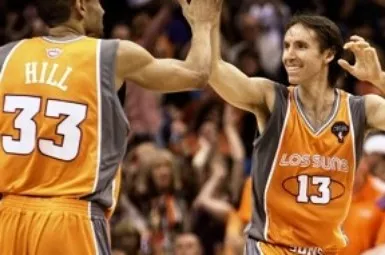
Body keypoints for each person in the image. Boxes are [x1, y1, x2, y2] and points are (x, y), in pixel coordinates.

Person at [0, 0, 222, 254]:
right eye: (97, 1)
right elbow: (195, 74)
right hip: (71, 220)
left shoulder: (6, 57)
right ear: (80, 6)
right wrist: (203, 21)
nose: (104, 9)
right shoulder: (111, 55)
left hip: (8, 219)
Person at [208, 12, 385, 255]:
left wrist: (380, 79)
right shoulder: (271, 99)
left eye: (300, 46)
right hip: (269, 248)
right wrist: (204, 24)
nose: (289, 55)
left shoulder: (361, 109)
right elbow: (214, 72)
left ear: (329, 54)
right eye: (286, 46)